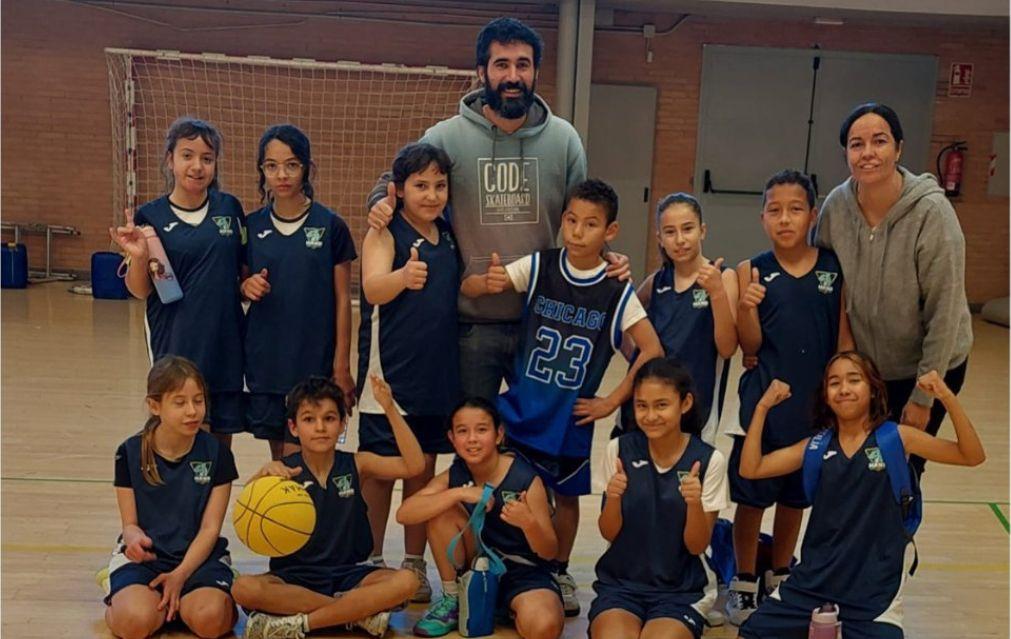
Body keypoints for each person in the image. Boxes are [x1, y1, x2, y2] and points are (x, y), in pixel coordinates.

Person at [365, 17, 629, 403]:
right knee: (473, 429)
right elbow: (392, 180)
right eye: (501, 64)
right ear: (481, 72)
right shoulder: (446, 136)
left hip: (541, 318)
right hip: (471, 321)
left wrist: (606, 255)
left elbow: (584, 216)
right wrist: (379, 203)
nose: (513, 76)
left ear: (536, 72)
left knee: (536, 427)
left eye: (523, 65)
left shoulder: (564, 140)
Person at [463, 178, 663, 615]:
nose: (577, 231)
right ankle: (491, 562)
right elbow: (473, 289)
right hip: (521, 409)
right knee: (504, 488)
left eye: (590, 224)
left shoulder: (616, 291)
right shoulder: (541, 265)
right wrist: (484, 282)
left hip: (570, 418)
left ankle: (559, 569)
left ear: (610, 231)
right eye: (571, 220)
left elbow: (652, 350)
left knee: (567, 499)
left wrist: (612, 400)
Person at [736, 351, 985, 639]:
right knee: (750, 633)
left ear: (873, 390)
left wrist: (946, 396)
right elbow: (751, 468)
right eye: (834, 383)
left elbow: (971, 455)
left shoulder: (897, 438)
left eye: (854, 380)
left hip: (874, 589)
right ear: (826, 395)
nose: (843, 389)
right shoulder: (815, 446)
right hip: (813, 581)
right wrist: (763, 407)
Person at [815, 102, 973, 477]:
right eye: (857, 144)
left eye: (879, 141)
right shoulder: (836, 207)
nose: (868, 153)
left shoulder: (932, 213)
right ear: (846, 153)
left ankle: (901, 518)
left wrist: (923, 397)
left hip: (928, 369)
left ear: (899, 149)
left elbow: (946, 312)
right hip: (867, 369)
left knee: (901, 470)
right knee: (862, 469)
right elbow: (824, 282)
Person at [725, 170, 853, 625]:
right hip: (764, 405)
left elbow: (842, 338)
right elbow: (750, 346)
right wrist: (746, 307)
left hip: (813, 407)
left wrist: (843, 395)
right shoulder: (751, 269)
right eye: (774, 210)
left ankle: (780, 573)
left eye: (795, 209)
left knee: (796, 498)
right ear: (762, 217)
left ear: (813, 215)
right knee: (751, 498)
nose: (784, 219)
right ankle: (743, 579)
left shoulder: (832, 268)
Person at [231, 375, 424, 639]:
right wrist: (261, 476)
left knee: (408, 581)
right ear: (293, 427)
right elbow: (244, 518)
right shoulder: (282, 471)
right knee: (243, 588)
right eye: (309, 419)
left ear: (343, 424)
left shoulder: (358, 464)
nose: (320, 427)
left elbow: (415, 466)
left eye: (329, 418)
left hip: (349, 574)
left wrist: (389, 408)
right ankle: (355, 614)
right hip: (294, 577)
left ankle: (302, 624)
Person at [357, 143, 461, 602]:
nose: (432, 194)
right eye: (421, 185)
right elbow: (372, 288)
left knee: (423, 468)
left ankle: (415, 563)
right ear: (398, 190)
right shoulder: (384, 232)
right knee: (381, 473)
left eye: (439, 185)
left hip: (436, 373)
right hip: (390, 374)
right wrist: (401, 278)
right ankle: (370, 558)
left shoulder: (448, 232)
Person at [110, 117, 245, 444]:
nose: (197, 166)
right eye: (187, 155)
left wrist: (249, 285)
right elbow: (140, 289)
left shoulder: (229, 208)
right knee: (181, 443)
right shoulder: (150, 216)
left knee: (218, 452)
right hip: (176, 342)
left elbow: (242, 271)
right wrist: (138, 256)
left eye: (207, 158)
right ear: (170, 160)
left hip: (225, 346)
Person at [397, 397, 564, 639]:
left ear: (499, 435)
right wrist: (458, 493)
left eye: (482, 430)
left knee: (544, 627)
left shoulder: (526, 479)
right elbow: (405, 514)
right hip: (476, 570)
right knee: (440, 508)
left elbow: (550, 551)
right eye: (462, 431)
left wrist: (528, 523)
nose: (472, 439)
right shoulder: (455, 475)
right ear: (452, 438)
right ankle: (454, 599)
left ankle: (508, 606)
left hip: (524, 574)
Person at [589, 357, 729, 639]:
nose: (650, 416)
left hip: (681, 590)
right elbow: (608, 532)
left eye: (661, 405)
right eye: (642, 405)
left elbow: (697, 545)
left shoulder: (708, 460)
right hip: (621, 585)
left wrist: (693, 503)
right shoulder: (618, 449)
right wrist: (613, 497)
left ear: (685, 403)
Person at [242, 124, 357, 460]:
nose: (282, 175)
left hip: (313, 363)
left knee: (303, 459)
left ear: (306, 167)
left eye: (291, 165)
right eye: (272, 166)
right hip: (267, 362)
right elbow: (240, 284)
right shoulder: (251, 226)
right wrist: (246, 286)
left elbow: (343, 300)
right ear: (262, 170)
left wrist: (341, 366)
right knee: (280, 460)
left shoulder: (331, 226)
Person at [103, 356, 237, 639]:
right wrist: (134, 539)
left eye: (198, 401)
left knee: (211, 621)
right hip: (149, 560)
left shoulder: (218, 454)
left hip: (198, 559)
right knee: (135, 623)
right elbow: (130, 524)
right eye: (180, 402)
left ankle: (182, 602)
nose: (192, 411)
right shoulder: (129, 452)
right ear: (155, 406)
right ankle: (126, 594)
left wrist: (181, 574)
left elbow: (210, 528)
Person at [617, 193, 738, 443]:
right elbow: (620, 320)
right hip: (645, 405)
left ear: (702, 231)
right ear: (660, 238)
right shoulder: (656, 282)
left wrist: (716, 293)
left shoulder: (723, 277)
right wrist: (633, 354)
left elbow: (727, 349)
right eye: (670, 232)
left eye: (688, 229)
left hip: (693, 408)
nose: (680, 240)